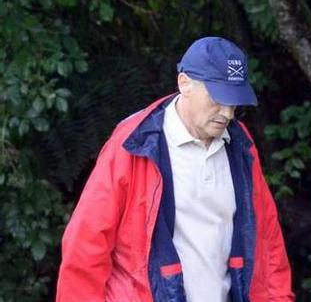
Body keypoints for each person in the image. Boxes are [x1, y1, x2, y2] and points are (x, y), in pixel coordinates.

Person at [57, 37, 295, 302]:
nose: (227, 113)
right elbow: (86, 244)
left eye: (234, 101)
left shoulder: (240, 143)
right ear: (184, 84)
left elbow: (267, 241)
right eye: (218, 97)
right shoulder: (134, 143)